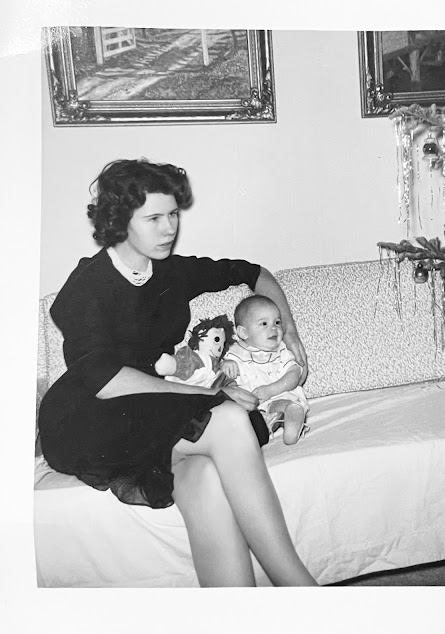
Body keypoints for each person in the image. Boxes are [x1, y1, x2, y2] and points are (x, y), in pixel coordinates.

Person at [37, 158, 318, 587]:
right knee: (228, 418)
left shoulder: (171, 270)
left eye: (172, 214)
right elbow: (105, 380)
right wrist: (209, 395)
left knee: (202, 476)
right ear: (119, 221)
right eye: (154, 218)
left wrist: (291, 330)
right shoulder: (87, 285)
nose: (169, 228)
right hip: (89, 416)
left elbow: (254, 273)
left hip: (152, 410)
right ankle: (297, 587)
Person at [222, 295, 310, 445]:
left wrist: (271, 390)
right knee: (240, 414)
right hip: (250, 403)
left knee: (281, 404)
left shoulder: (282, 351)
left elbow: (294, 375)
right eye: (264, 323)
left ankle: (291, 417)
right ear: (243, 333)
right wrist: (225, 364)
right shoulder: (234, 352)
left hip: (278, 395)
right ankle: (265, 425)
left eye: (277, 322)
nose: (274, 328)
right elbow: (219, 377)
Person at [155, 315, 235, 390]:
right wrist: (173, 364)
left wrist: (226, 364)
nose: (220, 347)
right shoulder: (198, 358)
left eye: (223, 343)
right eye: (216, 340)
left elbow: (223, 380)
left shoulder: (217, 365)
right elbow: (188, 361)